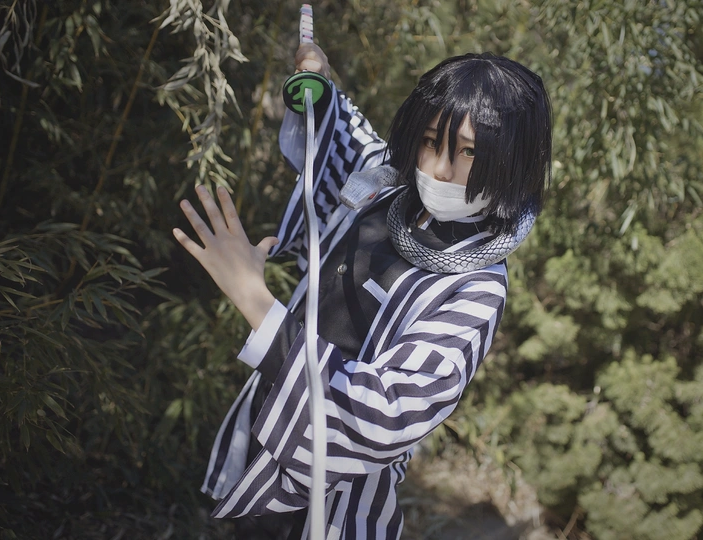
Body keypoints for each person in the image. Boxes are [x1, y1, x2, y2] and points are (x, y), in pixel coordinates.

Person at [172, 42, 552, 540]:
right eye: (431, 140)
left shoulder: (478, 289)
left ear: (515, 161)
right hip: (267, 431)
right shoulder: (386, 186)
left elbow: (387, 414)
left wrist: (255, 300)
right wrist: (320, 82)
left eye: (469, 151)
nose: (439, 168)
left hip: (337, 498)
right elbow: (347, 137)